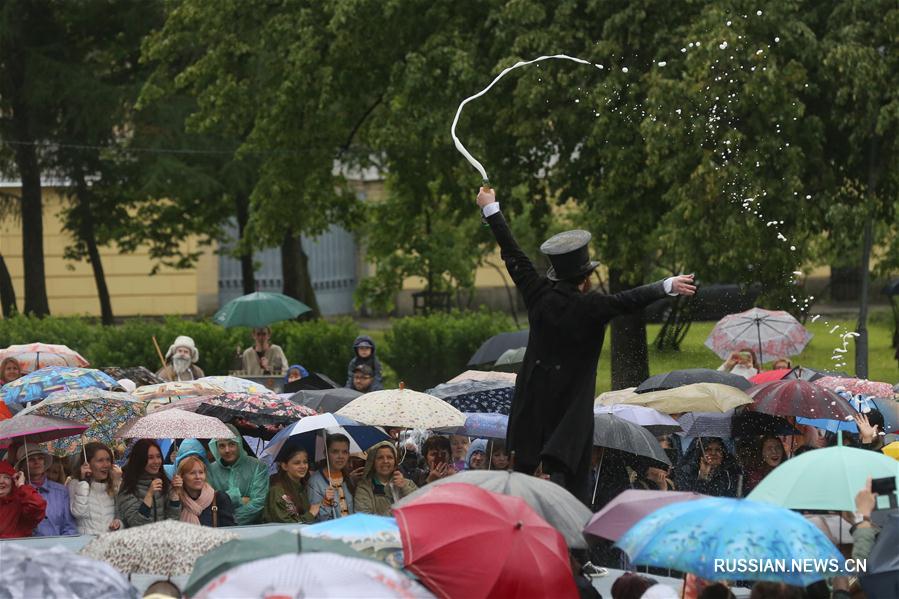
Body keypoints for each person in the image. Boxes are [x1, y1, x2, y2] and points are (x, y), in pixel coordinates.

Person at [476, 186, 696, 502]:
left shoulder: (538, 294)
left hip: (531, 411)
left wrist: (491, 209)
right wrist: (667, 285)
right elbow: (627, 300)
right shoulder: (592, 307)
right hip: (569, 418)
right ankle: (576, 545)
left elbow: (514, 255)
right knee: (571, 491)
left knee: (519, 482)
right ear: (585, 279)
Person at [206, 426, 269, 525]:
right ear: (216, 448)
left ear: (239, 444)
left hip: (253, 529)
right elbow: (208, 502)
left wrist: (231, 520)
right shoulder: (210, 470)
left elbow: (259, 503)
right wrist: (240, 499)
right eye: (222, 446)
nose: (227, 450)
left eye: (231, 444)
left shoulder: (258, 467)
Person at [117, 439, 182, 527]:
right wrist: (149, 495)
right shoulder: (128, 486)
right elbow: (136, 523)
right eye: (150, 457)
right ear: (140, 459)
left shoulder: (164, 481)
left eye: (158, 456)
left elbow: (173, 521)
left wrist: (174, 494)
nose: (156, 461)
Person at [15, 443, 77, 536]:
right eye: (31, 459)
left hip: (59, 547)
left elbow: (69, 527)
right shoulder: (17, 492)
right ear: (22, 466)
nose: (37, 462)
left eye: (40, 458)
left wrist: (63, 547)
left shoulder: (61, 491)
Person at [68, 442, 123, 534]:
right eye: (100, 460)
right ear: (87, 464)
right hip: (86, 543)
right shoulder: (76, 484)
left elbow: (122, 515)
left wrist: (119, 524)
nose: (106, 465)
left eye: (108, 460)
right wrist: (84, 482)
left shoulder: (114, 483)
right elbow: (78, 513)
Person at [355, 441, 417, 516]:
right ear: (373, 462)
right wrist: (395, 512)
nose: (385, 461)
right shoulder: (364, 488)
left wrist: (404, 487)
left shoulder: (408, 484)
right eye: (380, 458)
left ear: (395, 462)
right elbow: (365, 519)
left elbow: (420, 508)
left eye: (390, 457)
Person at [264, 447, 325, 523]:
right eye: (297, 463)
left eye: (305, 462)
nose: (303, 466)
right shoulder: (277, 490)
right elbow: (284, 524)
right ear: (285, 466)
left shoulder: (303, 486)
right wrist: (311, 514)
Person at [177, 455, 235, 527]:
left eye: (201, 472)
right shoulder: (178, 500)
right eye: (192, 473)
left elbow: (230, 530)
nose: (198, 477)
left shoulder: (219, 498)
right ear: (182, 477)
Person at [308, 434, 355, 521]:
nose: (340, 456)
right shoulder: (315, 482)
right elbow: (316, 519)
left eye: (345, 452)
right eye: (335, 452)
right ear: (325, 453)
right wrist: (325, 504)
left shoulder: (349, 479)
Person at [675, 437, 743, 497]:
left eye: (718, 450)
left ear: (723, 453)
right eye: (708, 449)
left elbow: (734, 498)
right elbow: (693, 499)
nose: (713, 453)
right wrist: (703, 476)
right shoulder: (688, 471)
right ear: (700, 453)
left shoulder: (731, 472)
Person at [0, 460, 46, 538]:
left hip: (15, 549)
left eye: (6, 477)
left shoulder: (20, 504)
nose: (1, 481)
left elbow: (37, 506)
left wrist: (22, 485)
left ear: (13, 482)